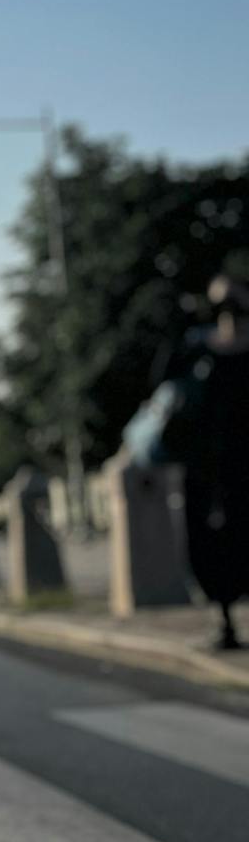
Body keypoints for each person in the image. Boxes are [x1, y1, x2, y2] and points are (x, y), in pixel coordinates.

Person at [166, 275, 249, 652]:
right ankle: (225, 618)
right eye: (221, 305)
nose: (228, 312)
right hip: (204, 468)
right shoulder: (197, 348)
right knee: (209, 546)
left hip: (242, 465)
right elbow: (164, 381)